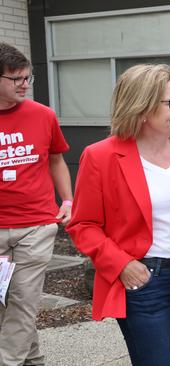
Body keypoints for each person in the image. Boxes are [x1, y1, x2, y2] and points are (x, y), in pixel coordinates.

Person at [66, 64, 170, 366]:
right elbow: (83, 225)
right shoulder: (101, 156)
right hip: (146, 282)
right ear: (141, 108)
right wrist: (123, 265)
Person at [0, 42, 73, 366]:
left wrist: (68, 200)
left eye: (28, 77)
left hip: (36, 226)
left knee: (22, 304)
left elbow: (56, 159)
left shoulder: (43, 115)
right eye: (16, 78)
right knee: (8, 308)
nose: (25, 84)